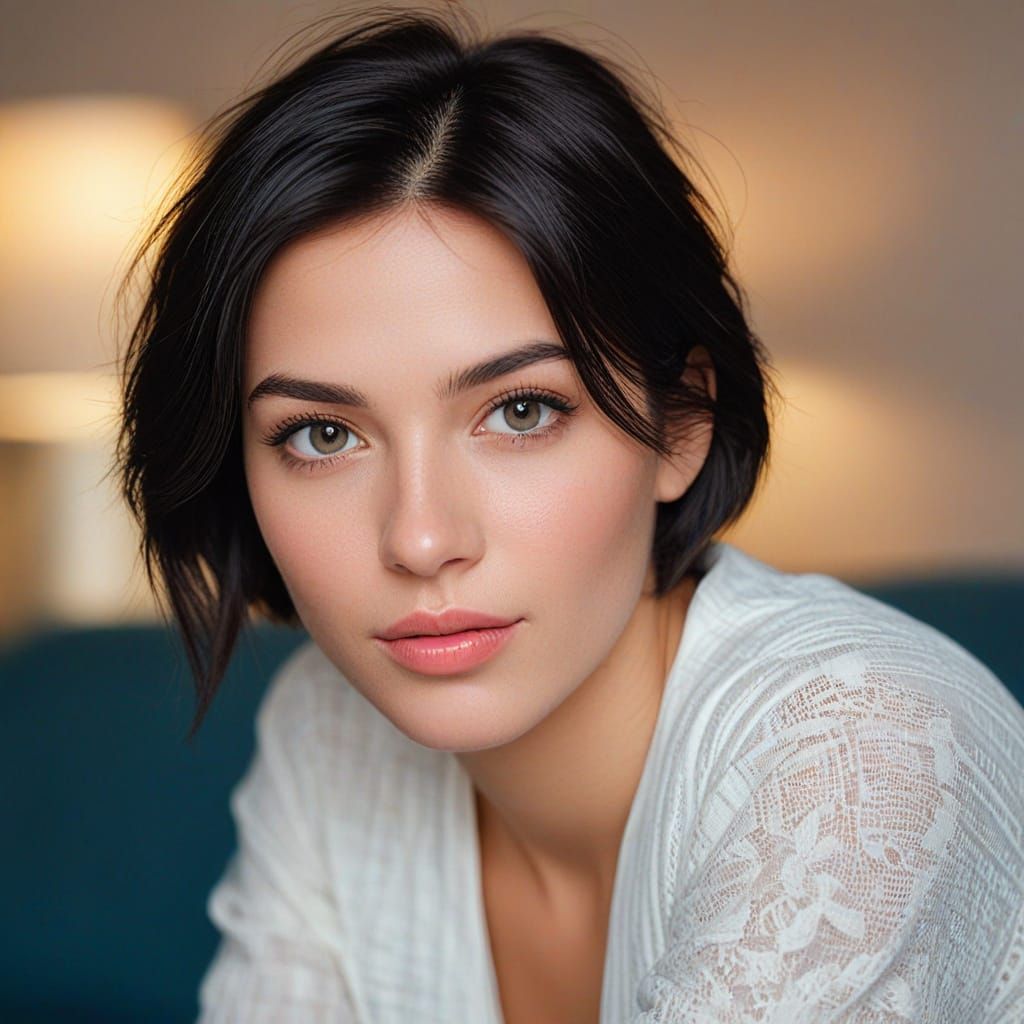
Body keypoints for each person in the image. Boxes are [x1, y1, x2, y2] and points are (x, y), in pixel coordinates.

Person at [114, 6, 1024, 1022]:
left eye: (520, 410)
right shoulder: (331, 730)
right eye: (322, 434)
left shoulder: (863, 753)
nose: (419, 539)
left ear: (680, 422)